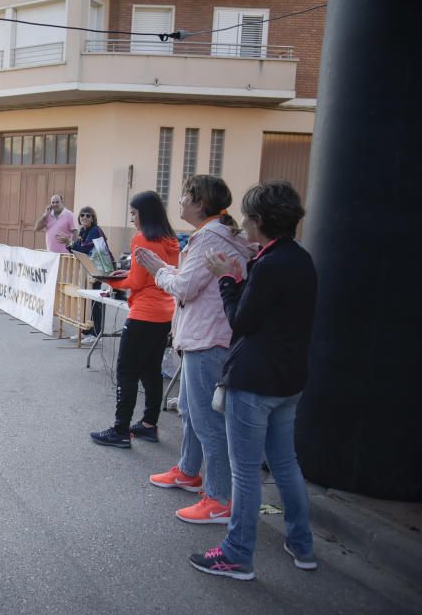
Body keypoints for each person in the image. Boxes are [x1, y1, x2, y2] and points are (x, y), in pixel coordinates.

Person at [190, 181, 318, 581]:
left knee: (245, 471)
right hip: (289, 379)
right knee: (285, 463)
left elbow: (242, 322)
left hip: (255, 381)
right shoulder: (300, 259)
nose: (242, 224)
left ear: (260, 221)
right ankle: (302, 545)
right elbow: (270, 312)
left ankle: (237, 553)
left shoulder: (268, 264)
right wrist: (240, 282)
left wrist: (227, 280)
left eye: (246, 217)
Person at [134, 176, 254, 524]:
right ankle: (189, 471)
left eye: (186, 195)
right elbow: (192, 282)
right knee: (190, 409)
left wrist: (159, 271)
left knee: (206, 420)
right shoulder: (215, 236)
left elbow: (185, 288)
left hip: (208, 338)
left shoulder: (210, 238)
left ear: (201, 203)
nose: (181, 201)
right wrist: (167, 271)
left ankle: (218, 498)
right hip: (203, 335)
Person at [90, 190, 179, 448]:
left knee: (127, 371)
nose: (131, 219)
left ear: (144, 214)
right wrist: (125, 273)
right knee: (151, 370)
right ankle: (149, 424)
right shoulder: (170, 240)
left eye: (133, 213)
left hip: (143, 313)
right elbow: (152, 274)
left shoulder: (142, 239)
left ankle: (120, 430)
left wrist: (108, 278)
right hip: (164, 313)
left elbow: (137, 282)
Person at [62, 206, 106, 343]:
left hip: (98, 269)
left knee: (94, 301)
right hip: (87, 269)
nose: (84, 218)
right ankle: (86, 330)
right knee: (85, 299)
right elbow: (76, 250)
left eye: (88, 215)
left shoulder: (95, 230)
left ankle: (97, 333)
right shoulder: (83, 230)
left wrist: (69, 243)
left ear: (93, 218)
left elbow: (85, 249)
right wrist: (69, 244)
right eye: (82, 215)